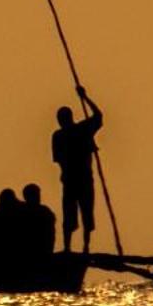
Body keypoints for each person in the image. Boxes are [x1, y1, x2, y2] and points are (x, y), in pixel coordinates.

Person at [51, 85, 103, 252]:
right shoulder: (59, 136)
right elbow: (58, 160)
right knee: (70, 215)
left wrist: (85, 97)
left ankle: (85, 246)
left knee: (86, 212)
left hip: (81, 179)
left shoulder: (81, 129)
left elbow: (99, 116)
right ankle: (68, 247)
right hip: (72, 180)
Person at [20, 184, 57, 257]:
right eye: (36, 194)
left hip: (44, 249)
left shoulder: (45, 210)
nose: (39, 197)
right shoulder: (23, 211)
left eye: (38, 194)